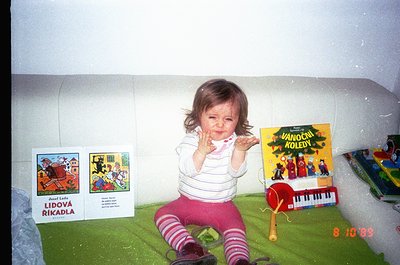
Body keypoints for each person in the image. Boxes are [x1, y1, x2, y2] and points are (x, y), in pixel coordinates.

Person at [154, 79, 275, 265]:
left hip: (222, 206)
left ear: (237, 120)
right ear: (199, 116)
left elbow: (236, 172)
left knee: (236, 229)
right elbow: (188, 170)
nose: (220, 124)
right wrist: (201, 151)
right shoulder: (191, 140)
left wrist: (240, 151)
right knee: (162, 214)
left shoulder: (236, 143)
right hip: (188, 202)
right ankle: (191, 249)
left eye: (228, 119)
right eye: (213, 117)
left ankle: (240, 261)